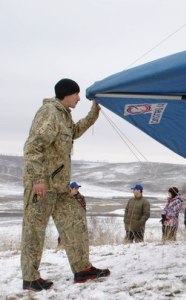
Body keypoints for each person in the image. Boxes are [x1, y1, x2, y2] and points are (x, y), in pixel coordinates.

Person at [21, 78, 110, 291]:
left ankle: (82, 269)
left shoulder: (63, 115)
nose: (79, 98)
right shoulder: (49, 113)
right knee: (34, 231)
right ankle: (30, 278)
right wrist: (38, 180)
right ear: (66, 94)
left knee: (75, 220)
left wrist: (94, 113)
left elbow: (74, 132)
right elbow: (32, 148)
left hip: (60, 187)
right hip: (42, 186)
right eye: (76, 94)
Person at [58, 181, 87, 246]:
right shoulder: (64, 198)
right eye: (75, 188)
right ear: (70, 189)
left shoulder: (81, 198)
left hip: (77, 221)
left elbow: (83, 210)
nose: (77, 190)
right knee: (62, 236)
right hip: (66, 221)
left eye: (77, 188)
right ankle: (60, 249)